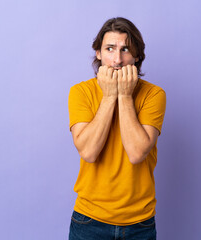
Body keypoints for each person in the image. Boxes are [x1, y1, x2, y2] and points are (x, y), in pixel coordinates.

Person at [68, 17, 166, 240]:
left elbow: (137, 153)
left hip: (139, 223)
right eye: (110, 49)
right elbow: (89, 152)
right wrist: (109, 96)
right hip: (89, 219)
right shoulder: (80, 92)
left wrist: (124, 95)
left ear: (137, 56)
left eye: (125, 50)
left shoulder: (154, 95)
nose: (117, 60)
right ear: (98, 53)